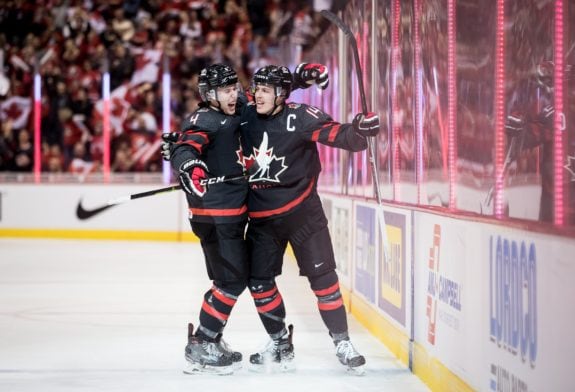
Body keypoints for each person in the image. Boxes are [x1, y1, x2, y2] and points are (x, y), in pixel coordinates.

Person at [162, 62, 329, 374]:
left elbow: (264, 94)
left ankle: (212, 338)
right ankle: (204, 342)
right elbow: (189, 146)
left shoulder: (232, 109)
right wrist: (187, 164)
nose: (233, 94)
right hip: (216, 216)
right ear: (208, 94)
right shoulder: (206, 120)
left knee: (231, 278)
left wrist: (300, 77)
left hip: (229, 214)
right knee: (232, 280)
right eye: (225, 90)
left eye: (233, 87)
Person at [238, 65, 380, 373]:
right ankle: (279, 341)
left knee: (325, 282)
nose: (258, 95)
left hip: (304, 216)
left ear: (281, 94)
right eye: (256, 89)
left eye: (266, 90)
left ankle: (342, 342)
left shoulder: (300, 117)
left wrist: (359, 130)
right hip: (262, 220)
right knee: (260, 284)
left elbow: (341, 136)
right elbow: (215, 117)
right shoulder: (244, 115)